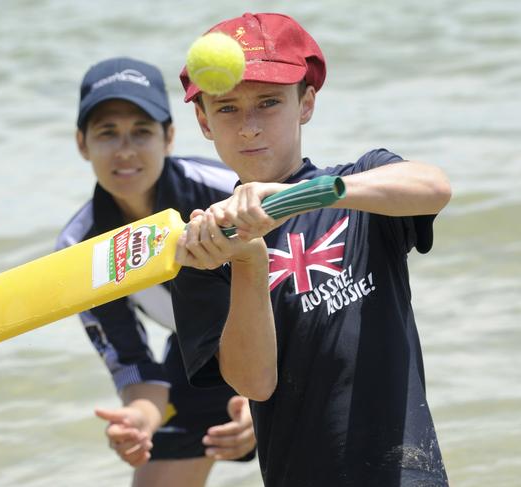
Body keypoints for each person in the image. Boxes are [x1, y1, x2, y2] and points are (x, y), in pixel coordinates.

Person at [171, 13, 452, 486]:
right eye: (227, 109)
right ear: (202, 121)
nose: (249, 127)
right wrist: (248, 260)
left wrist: (313, 195)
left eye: (268, 102)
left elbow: (435, 187)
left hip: (406, 472)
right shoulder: (207, 245)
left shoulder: (361, 187)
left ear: (306, 102)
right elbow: (254, 382)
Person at [55, 57, 256, 487]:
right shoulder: (81, 249)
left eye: (141, 132)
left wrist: (260, 400)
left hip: (297, 345)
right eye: (107, 133)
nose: (125, 150)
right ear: (81, 143)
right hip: (200, 357)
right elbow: (137, 366)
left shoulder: (227, 189)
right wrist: (136, 421)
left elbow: (304, 292)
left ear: (168, 137)